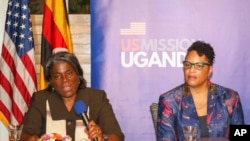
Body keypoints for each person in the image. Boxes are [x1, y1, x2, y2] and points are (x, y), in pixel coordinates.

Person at [20, 52, 124, 141]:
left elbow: (117, 136)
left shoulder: (97, 98)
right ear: (51, 82)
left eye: (69, 73)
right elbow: (25, 135)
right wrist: (30, 138)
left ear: (78, 76)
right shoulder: (41, 99)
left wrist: (103, 137)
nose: (64, 79)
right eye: (57, 76)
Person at [157, 40, 244, 141]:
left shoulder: (230, 98)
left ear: (210, 69)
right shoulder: (169, 101)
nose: (191, 70)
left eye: (198, 66)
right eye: (188, 64)